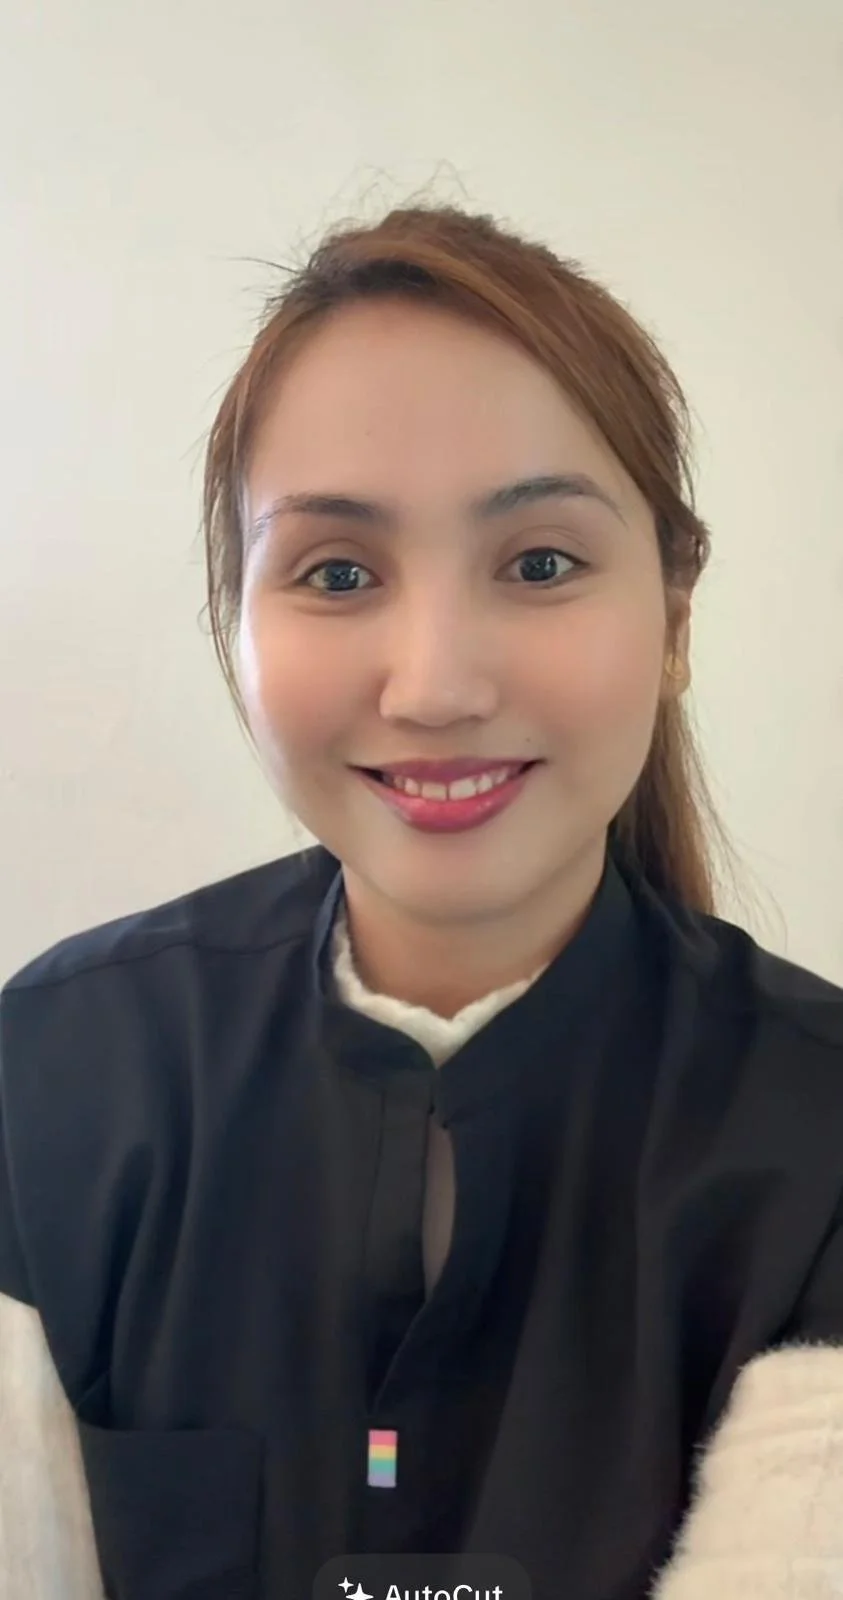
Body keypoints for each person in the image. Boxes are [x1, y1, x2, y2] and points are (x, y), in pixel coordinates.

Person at [1, 202, 842, 1600]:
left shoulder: (819, 1140)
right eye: (337, 573)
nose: (437, 684)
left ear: (675, 619)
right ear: (233, 623)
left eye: (540, 564)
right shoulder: (52, 1075)